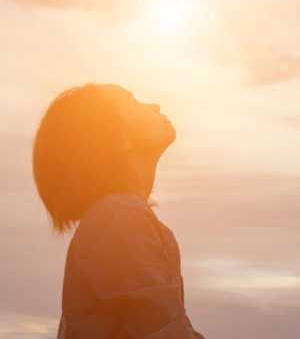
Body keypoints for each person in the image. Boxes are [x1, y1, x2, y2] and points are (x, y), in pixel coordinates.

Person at [32, 82, 205, 338]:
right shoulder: (121, 218)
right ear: (120, 139)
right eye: (134, 102)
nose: (154, 105)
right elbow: (164, 331)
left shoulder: (116, 216)